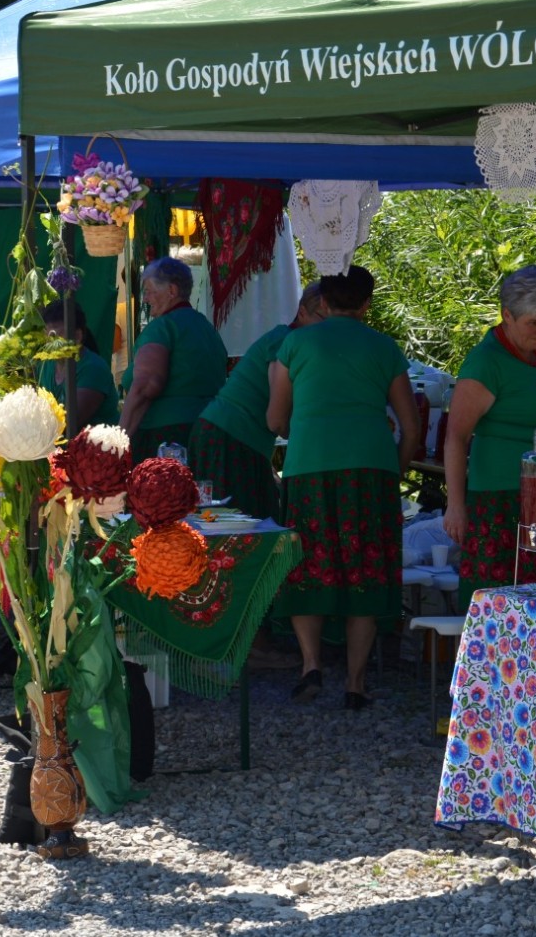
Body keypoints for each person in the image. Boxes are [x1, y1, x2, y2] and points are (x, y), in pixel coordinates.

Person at [266, 265, 422, 711]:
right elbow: (411, 427)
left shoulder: (295, 344)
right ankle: (355, 683)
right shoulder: (384, 347)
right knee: (365, 572)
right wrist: (394, 472)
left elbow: (275, 420)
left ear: (323, 302)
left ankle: (310, 665)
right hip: (371, 472)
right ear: (366, 304)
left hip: (309, 468)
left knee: (307, 565)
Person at [442, 267, 536, 603]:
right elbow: (456, 437)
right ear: (507, 315)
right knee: (501, 597)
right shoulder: (486, 362)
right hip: (502, 500)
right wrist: (455, 505)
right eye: (533, 323)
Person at [188, 282, 325, 520]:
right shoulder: (285, 340)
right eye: (322, 319)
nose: (327, 329)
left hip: (239, 439)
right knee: (232, 522)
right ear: (302, 312)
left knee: (251, 518)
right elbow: (277, 417)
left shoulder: (298, 344)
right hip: (227, 437)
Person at [119, 257, 228, 461]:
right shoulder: (207, 328)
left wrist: (119, 441)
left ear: (172, 290)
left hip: (167, 440)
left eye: (149, 291)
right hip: (209, 434)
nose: (145, 299)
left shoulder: (162, 327)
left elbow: (146, 386)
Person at [37, 300, 119, 430]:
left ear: (77, 336)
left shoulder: (93, 369)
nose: (49, 343)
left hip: (97, 442)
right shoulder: (45, 364)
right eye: (47, 336)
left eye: (56, 336)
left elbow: (70, 422)